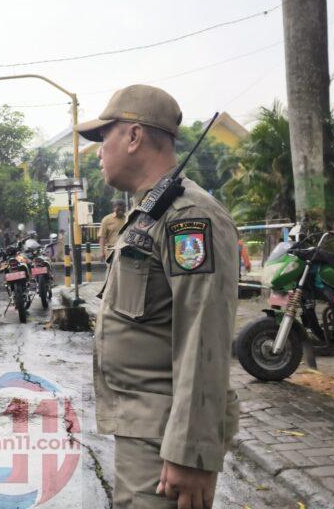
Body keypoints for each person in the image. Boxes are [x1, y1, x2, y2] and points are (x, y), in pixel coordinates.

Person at [77, 84, 239, 509]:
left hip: (166, 437)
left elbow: (204, 335)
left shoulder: (188, 217)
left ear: (133, 137)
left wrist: (191, 452)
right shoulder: (148, 214)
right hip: (143, 425)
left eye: (103, 137)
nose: (98, 151)